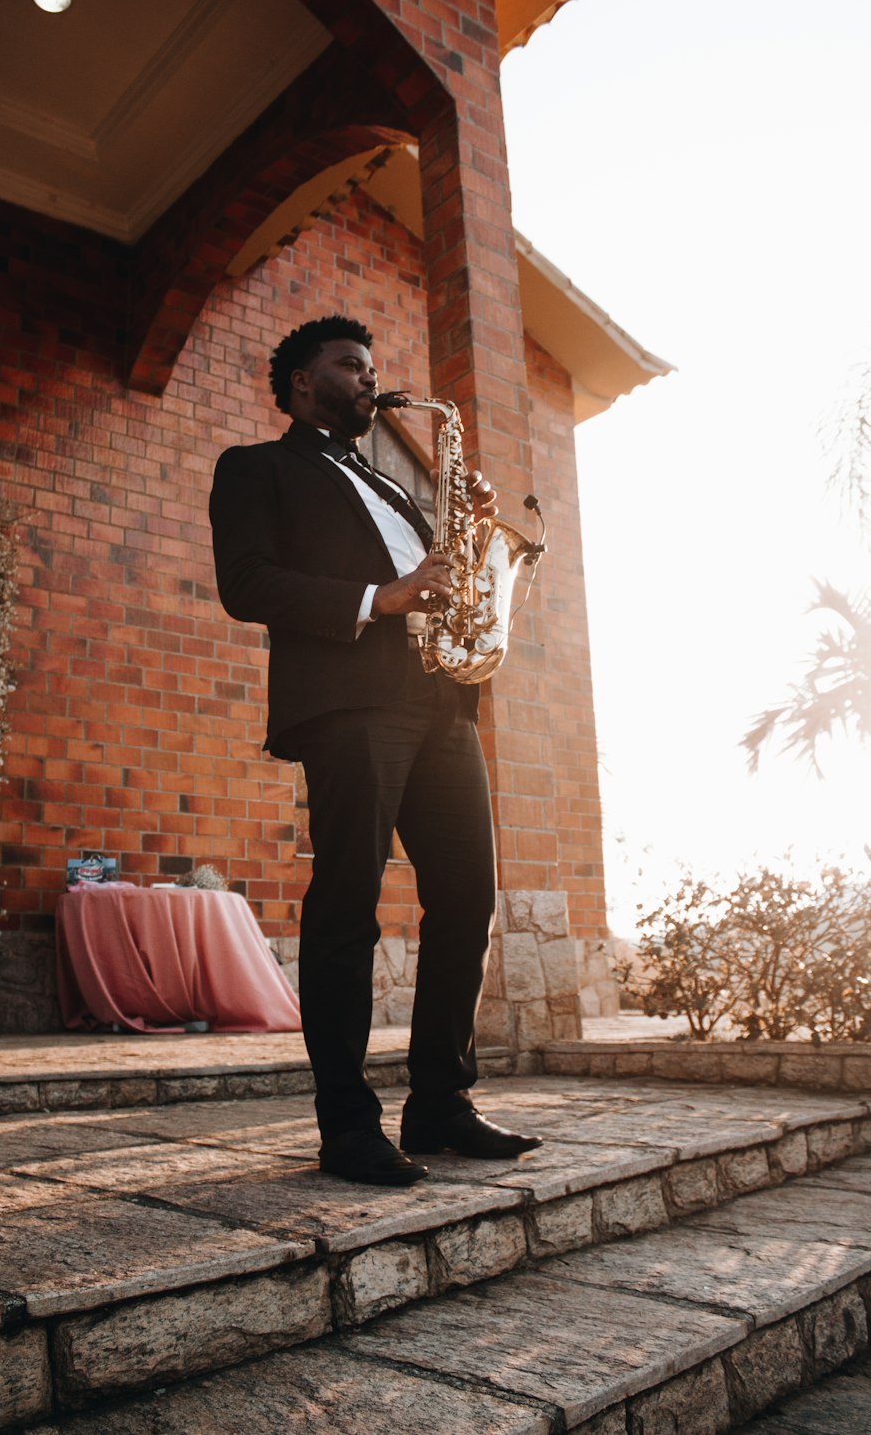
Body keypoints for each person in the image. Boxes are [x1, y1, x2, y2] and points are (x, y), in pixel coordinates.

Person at [209, 316, 540, 1186]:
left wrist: (463, 535)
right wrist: (377, 598)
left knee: (468, 899)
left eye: (371, 366)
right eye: (349, 365)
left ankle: (439, 1104)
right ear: (297, 382)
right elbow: (244, 584)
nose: (368, 379)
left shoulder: (393, 487)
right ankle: (347, 1127)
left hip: (442, 701)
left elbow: (436, 580)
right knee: (349, 902)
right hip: (351, 701)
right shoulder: (256, 468)